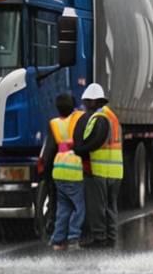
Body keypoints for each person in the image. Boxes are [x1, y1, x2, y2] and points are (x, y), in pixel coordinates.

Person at [74, 83, 122, 249]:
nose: (85, 106)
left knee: (97, 206)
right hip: (115, 171)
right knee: (110, 207)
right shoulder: (111, 116)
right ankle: (111, 238)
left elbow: (96, 139)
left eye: (86, 102)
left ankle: (100, 238)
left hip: (100, 170)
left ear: (93, 101)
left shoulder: (99, 118)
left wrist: (80, 149)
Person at [47, 94, 86, 251]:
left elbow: (50, 147)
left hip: (59, 168)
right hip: (73, 168)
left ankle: (58, 240)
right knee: (78, 207)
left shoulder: (54, 123)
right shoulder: (76, 120)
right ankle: (73, 238)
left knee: (63, 207)